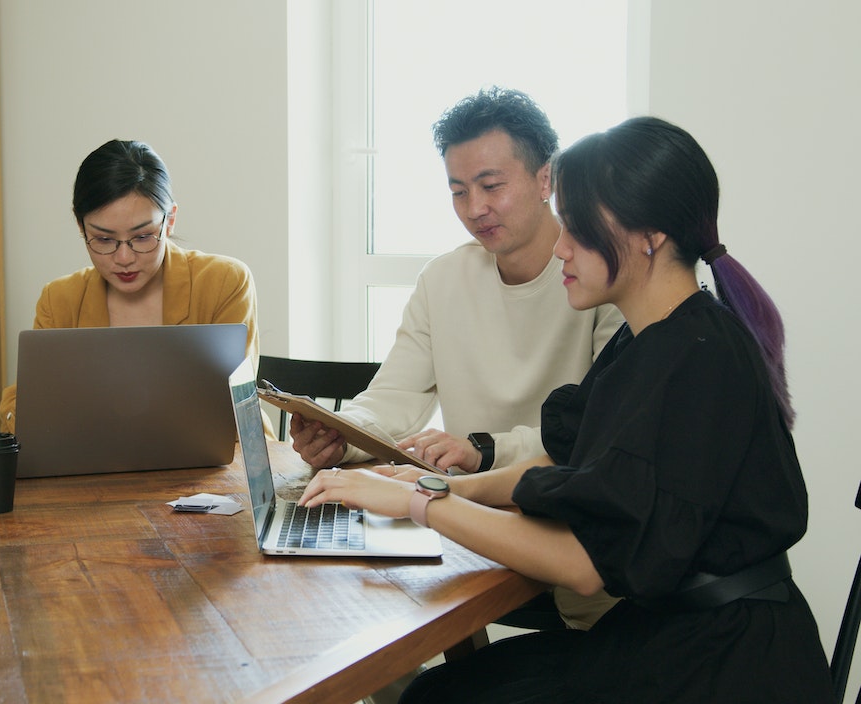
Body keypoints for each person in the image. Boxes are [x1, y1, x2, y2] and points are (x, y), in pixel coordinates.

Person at [299, 116, 833, 703]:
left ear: (645, 237)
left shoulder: (697, 358)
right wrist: (440, 484)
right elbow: (565, 462)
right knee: (439, 691)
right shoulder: (654, 339)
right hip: (668, 632)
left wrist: (420, 501)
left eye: (577, 229)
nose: (560, 247)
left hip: (721, 664)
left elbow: (583, 564)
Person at [292, 87, 623, 629]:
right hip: (465, 516)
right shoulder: (444, 279)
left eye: (492, 186)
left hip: (570, 533)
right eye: (458, 190)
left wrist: (482, 450)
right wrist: (341, 433)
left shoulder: (599, 276)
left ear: (546, 179)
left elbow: (598, 437)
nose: (475, 209)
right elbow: (393, 398)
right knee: (348, 605)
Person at [0, 139, 263, 433]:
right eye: (103, 239)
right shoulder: (60, 299)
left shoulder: (223, 282)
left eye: (143, 236)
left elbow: (237, 404)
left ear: (170, 220)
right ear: (80, 226)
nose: (124, 258)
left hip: (219, 468)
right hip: (97, 463)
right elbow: (22, 404)